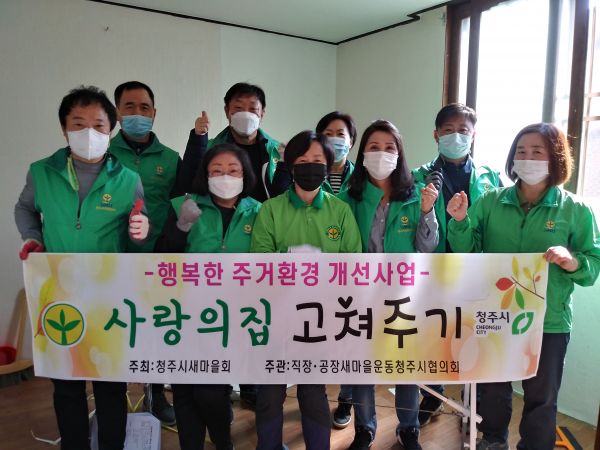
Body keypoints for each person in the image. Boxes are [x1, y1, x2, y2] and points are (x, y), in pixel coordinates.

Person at [446, 123, 600, 450]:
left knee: (542, 397)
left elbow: (592, 267)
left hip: (549, 321)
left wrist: (572, 261)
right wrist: (459, 221)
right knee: (493, 388)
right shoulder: (490, 201)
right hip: (495, 315)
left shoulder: (575, 210)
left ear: (555, 159)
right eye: (521, 151)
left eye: (537, 152)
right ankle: (493, 439)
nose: (527, 158)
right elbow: (467, 250)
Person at [14, 86, 149, 450]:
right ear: (64, 129)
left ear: (111, 129)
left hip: (108, 295)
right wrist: (32, 237)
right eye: (78, 124)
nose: (89, 132)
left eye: (99, 125)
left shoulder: (128, 180)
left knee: (110, 383)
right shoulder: (41, 172)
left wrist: (141, 230)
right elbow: (24, 208)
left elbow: (138, 231)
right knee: (66, 382)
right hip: (58, 290)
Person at [251, 130, 362, 450]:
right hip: (276, 316)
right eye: (302, 160)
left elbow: (353, 262)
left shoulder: (340, 211)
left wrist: (320, 268)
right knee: (269, 393)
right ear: (290, 165)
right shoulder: (270, 210)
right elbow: (260, 262)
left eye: (317, 160)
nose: (310, 165)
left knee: (313, 392)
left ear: (327, 165)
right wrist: (291, 260)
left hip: (321, 317)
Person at [109, 80, 207, 425]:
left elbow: (181, 196)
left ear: (154, 113)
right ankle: (114, 396)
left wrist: (199, 140)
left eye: (144, 107)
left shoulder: (168, 158)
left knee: (155, 328)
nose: (138, 113)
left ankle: (156, 394)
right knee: (117, 329)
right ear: (117, 113)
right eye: (129, 107)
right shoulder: (104, 155)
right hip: (114, 259)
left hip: (159, 259)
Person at [338, 120, 439, 450]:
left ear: (400, 154)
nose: (381, 154)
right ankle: (364, 429)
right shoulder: (348, 198)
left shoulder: (417, 195)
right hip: (359, 296)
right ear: (362, 153)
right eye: (374, 147)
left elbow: (427, 247)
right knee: (362, 366)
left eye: (389, 148)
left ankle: (408, 429)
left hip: (403, 296)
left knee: (406, 365)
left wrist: (428, 211)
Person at [156, 143, 260, 450]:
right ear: (205, 174)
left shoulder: (259, 211)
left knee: (209, 392)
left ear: (245, 175)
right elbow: (161, 257)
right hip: (185, 313)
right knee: (184, 391)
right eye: (217, 170)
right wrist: (182, 225)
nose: (225, 176)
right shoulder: (183, 205)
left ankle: (222, 442)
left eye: (233, 170)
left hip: (232, 318)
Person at [412, 103, 502, 425]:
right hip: (433, 269)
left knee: (472, 339)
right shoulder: (419, 176)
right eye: (448, 130)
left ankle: (470, 403)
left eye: (463, 130)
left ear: (473, 135)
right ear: (436, 135)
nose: (456, 136)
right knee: (432, 335)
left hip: (474, 271)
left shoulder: (491, 178)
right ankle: (432, 395)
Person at [185, 82, 287, 205]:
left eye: (253, 109)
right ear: (227, 111)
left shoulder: (277, 151)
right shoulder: (210, 148)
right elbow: (189, 184)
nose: (246, 115)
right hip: (224, 216)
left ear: (262, 114)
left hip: (266, 216)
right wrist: (198, 138)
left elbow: (285, 195)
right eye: (238, 108)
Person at [316, 111, 357, 195]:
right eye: (328, 134)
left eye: (340, 134)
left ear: (350, 142)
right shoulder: (311, 174)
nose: (334, 138)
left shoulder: (360, 176)